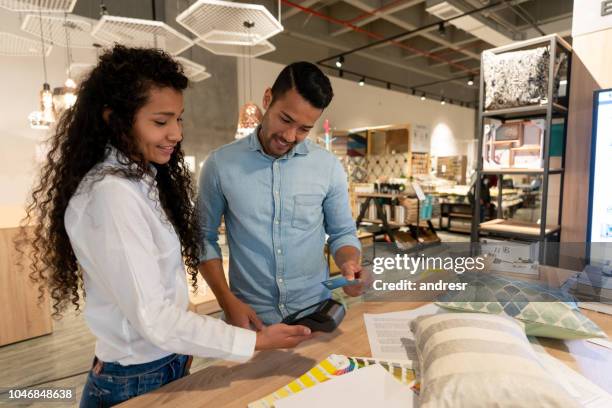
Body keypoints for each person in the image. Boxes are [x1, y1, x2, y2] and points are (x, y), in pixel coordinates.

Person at [21, 45, 312, 408]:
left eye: (179, 119)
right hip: (135, 378)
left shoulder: (138, 180)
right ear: (115, 120)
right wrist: (257, 341)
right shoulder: (111, 194)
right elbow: (154, 319)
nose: (175, 133)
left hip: (162, 364)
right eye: (160, 122)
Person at [198, 62, 366, 328]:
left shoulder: (328, 166)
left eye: (303, 129)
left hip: (315, 315)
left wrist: (350, 265)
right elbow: (203, 239)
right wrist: (226, 300)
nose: (289, 136)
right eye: (285, 119)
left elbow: (343, 233)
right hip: (250, 319)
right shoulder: (220, 165)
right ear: (268, 99)